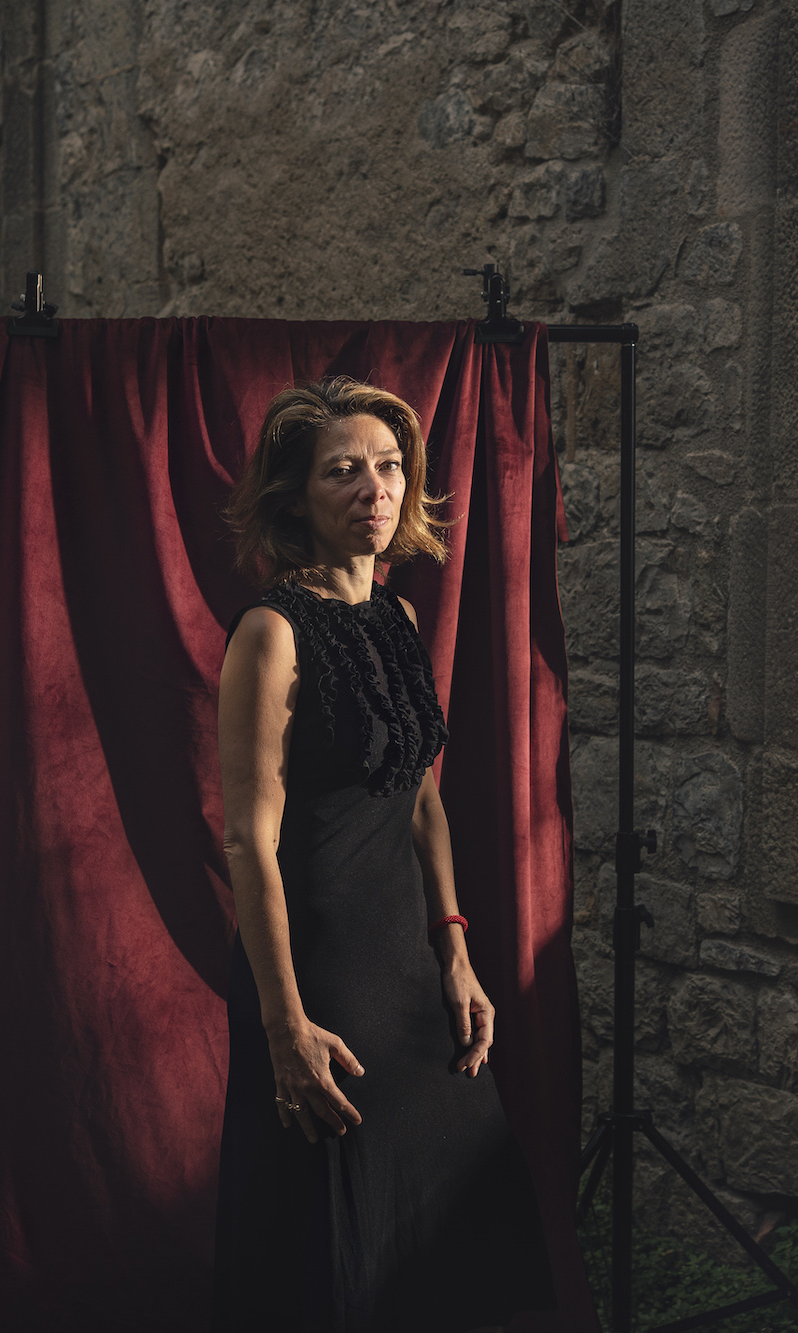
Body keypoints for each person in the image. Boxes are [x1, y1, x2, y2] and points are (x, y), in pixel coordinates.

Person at [212, 377, 555, 1332]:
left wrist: (455, 948)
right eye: (344, 471)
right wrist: (285, 1024)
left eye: (390, 465)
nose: (376, 488)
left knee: (463, 1210)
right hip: (319, 968)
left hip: (408, 958)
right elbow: (248, 838)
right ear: (295, 498)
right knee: (341, 1230)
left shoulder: (397, 620)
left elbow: (422, 797)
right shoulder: (270, 634)